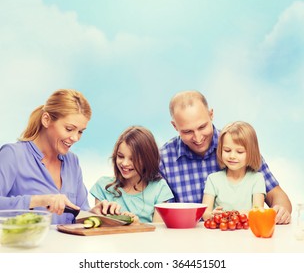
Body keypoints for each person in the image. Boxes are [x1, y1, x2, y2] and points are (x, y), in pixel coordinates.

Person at [159, 90, 292, 224]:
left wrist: (281, 210)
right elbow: (162, 215)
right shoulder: (164, 158)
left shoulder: (239, 145)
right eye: (187, 131)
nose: (198, 138)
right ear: (175, 126)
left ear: (211, 115)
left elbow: (277, 195)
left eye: (202, 127)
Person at [0, 89, 120, 224]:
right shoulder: (13, 155)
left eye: (80, 131)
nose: (75, 138)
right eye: (69, 129)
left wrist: (96, 214)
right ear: (46, 120)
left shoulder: (72, 162)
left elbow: (78, 212)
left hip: (67, 245)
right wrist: (39, 200)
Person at [90, 126, 174, 223]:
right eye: (120, 156)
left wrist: (137, 226)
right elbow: (97, 227)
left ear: (148, 159)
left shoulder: (159, 188)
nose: (125, 163)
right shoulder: (103, 186)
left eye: (133, 159)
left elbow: (158, 232)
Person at [202, 121, 266, 220]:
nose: (232, 156)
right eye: (227, 150)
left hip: (246, 233)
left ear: (251, 152)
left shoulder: (257, 179)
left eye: (239, 152)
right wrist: (211, 215)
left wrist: (230, 215)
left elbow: (258, 212)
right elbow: (205, 213)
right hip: (219, 233)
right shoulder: (213, 179)